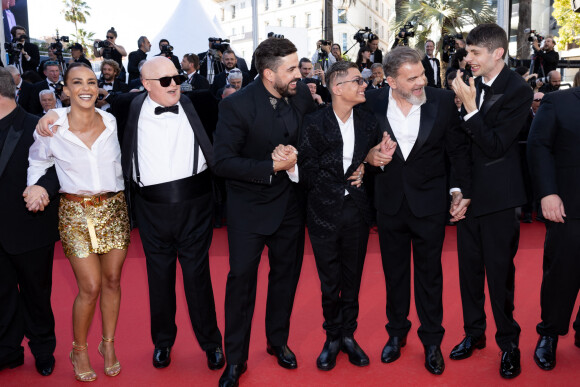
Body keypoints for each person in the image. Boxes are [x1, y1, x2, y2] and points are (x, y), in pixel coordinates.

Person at [37, 56, 225, 373]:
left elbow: (234, 115)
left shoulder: (203, 102)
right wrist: (52, 113)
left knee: (197, 278)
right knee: (159, 279)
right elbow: (85, 111)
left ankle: (211, 344)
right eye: (165, 81)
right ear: (146, 84)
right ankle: (163, 343)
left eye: (177, 78)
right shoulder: (127, 107)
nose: (174, 85)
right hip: (150, 209)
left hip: (196, 205)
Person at [213, 37, 315, 387]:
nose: (298, 74)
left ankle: (277, 341)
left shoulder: (300, 96)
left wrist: (296, 159)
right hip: (249, 210)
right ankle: (235, 360)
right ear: (269, 74)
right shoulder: (236, 106)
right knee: (241, 283)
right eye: (291, 69)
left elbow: (312, 140)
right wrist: (270, 166)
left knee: (286, 279)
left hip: (290, 206)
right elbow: (223, 162)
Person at [364, 46, 471, 376]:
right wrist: (369, 155)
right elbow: (355, 144)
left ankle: (432, 341)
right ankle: (396, 334)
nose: (421, 82)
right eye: (412, 78)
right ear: (391, 81)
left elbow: (457, 151)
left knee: (430, 276)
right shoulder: (371, 102)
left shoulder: (438, 101)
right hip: (390, 204)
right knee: (394, 276)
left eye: (423, 74)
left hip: (429, 204)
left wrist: (458, 191)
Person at [28, 62, 130, 382]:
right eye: (77, 82)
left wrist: (54, 113)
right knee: (90, 285)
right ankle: (80, 348)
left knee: (113, 280)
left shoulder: (111, 121)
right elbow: (36, 162)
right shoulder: (52, 127)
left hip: (114, 209)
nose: (86, 87)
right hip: (75, 212)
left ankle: (108, 345)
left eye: (91, 81)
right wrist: (35, 187)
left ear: (98, 88)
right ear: (66, 90)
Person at [450, 23, 533, 379]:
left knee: (499, 275)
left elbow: (496, 145)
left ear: (497, 53)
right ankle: (474, 334)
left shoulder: (518, 90)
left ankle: (509, 344)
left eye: (474, 53)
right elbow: (458, 146)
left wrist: (470, 108)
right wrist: (457, 191)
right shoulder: (467, 84)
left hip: (499, 198)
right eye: (467, 52)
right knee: (468, 273)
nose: (467, 59)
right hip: (468, 196)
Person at [298, 60, 379, 371]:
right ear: (337, 88)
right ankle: (332, 336)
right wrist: (350, 171)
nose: (364, 85)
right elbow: (307, 169)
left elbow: (375, 160)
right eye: (357, 81)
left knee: (353, 278)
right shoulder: (314, 122)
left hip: (356, 211)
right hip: (322, 212)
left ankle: (348, 335)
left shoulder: (369, 121)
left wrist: (371, 163)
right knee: (330, 281)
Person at [0, 66, 59, 377]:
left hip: (30, 227)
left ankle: (43, 349)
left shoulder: (37, 126)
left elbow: (57, 169)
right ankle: (8, 350)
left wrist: (42, 188)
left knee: (37, 294)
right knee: (1, 295)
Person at [527, 87, 580, 370]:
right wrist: (547, 192)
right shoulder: (558, 102)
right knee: (562, 276)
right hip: (568, 208)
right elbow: (538, 147)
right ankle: (549, 332)